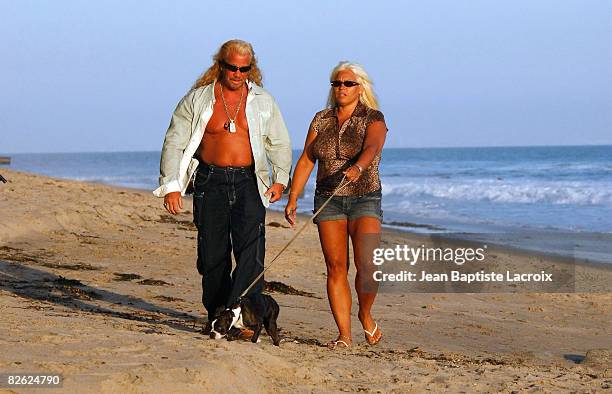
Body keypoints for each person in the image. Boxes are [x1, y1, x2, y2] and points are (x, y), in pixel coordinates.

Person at [154, 39, 292, 333]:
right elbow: (174, 141)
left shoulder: (263, 101)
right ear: (220, 64)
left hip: (249, 182)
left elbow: (279, 142)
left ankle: (241, 316)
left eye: (244, 69)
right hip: (209, 181)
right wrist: (171, 185)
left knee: (251, 255)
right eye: (232, 67)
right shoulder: (198, 100)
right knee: (212, 256)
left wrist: (280, 179)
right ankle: (218, 314)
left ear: (250, 69)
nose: (237, 74)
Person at [285, 62, 387, 348]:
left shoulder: (372, 117)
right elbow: (307, 158)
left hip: (365, 196)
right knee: (336, 267)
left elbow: (373, 147)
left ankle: (365, 315)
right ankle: (344, 335)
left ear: (360, 88)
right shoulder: (321, 119)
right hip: (328, 199)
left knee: (367, 266)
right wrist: (294, 196)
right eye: (337, 83)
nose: (341, 88)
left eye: (348, 83)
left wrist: (359, 168)